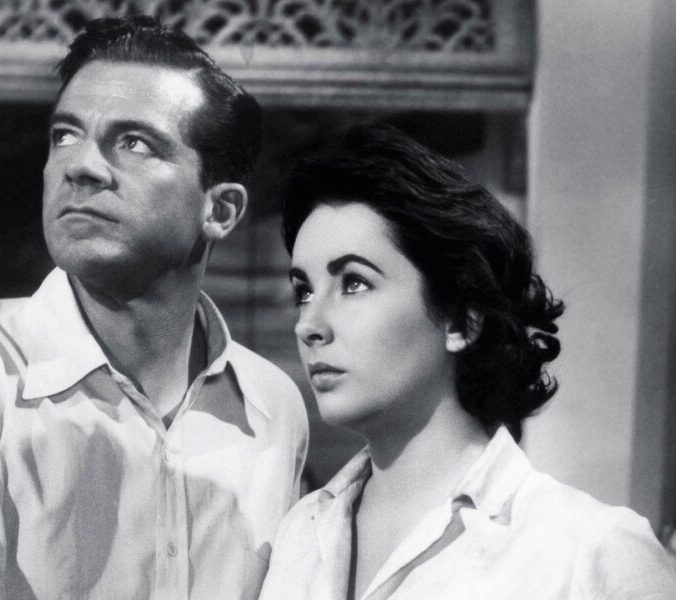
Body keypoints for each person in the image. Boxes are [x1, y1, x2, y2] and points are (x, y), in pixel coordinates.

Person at [0, 16, 308, 600]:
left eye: (134, 143)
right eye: (65, 135)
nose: (80, 165)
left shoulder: (272, 405)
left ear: (221, 210)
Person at [259, 123, 676, 599]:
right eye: (304, 291)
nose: (308, 324)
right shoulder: (299, 536)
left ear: (461, 320)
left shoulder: (592, 554)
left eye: (354, 283)